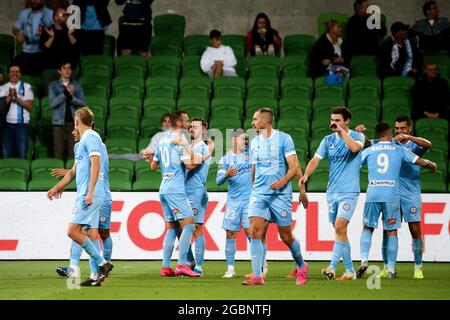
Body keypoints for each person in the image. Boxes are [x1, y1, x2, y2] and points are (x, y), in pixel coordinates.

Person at [355, 116, 432, 279]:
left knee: (415, 229)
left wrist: (408, 138)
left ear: (409, 129)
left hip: (410, 193)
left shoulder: (412, 145)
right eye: (397, 129)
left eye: (403, 128)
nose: (399, 131)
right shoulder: (391, 144)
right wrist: (362, 134)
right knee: (388, 229)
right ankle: (387, 267)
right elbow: (370, 145)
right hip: (392, 191)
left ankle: (418, 268)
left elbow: (428, 145)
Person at [47, 107, 113, 284]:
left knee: (76, 231)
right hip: (87, 193)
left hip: (93, 193)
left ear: (77, 122)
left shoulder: (92, 137)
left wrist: (90, 191)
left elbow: (96, 164)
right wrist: (57, 187)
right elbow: (73, 172)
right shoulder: (82, 143)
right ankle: (89, 272)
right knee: (87, 232)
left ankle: (101, 264)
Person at [244, 108, 308, 286]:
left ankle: (301, 266)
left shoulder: (284, 139)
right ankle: (257, 276)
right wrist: (253, 188)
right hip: (259, 193)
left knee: (286, 236)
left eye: (255, 119)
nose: (253, 122)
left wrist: (285, 182)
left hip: (280, 195)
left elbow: (294, 166)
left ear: (266, 122)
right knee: (255, 231)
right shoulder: (255, 142)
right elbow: (255, 168)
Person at [300, 107, 364, 280]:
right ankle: (350, 270)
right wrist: (306, 175)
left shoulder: (358, 136)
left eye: (337, 120)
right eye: (332, 120)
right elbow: (315, 159)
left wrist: (342, 132)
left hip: (349, 191)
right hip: (332, 192)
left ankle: (332, 266)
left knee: (340, 227)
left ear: (347, 121)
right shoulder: (328, 140)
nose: (333, 123)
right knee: (340, 232)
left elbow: (354, 149)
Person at [146, 111, 203, 278]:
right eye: (186, 120)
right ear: (178, 123)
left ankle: (165, 267)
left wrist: (149, 158)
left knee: (172, 227)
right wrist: (200, 157)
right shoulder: (179, 140)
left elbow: (153, 167)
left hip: (164, 187)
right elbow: (190, 165)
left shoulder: (162, 141)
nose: (188, 123)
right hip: (176, 189)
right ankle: (182, 264)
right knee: (189, 225)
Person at [217, 129, 252, 278]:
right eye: (242, 139)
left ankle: (261, 266)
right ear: (233, 140)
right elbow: (218, 181)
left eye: (246, 139)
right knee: (230, 233)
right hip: (233, 202)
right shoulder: (225, 159)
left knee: (252, 233)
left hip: (250, 200)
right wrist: (225, 174)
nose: (245, 142)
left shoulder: (251, 154)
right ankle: (230, 268)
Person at [185, 118, 215, 276]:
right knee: (180, 230)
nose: (191, 129)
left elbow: (191, 164)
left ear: (203, 130)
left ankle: (199, 267)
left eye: (195, 127)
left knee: (196, 228)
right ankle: (190, 262)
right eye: (190, 126)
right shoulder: (189, 147)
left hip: (196, 191)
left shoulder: (203, 148)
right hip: (183, 191)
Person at [48, 61, 85, 160]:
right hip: (58, 123)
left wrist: (71, 97)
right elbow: (52, 103)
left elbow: (82, 103)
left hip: (73, 122)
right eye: (64, 68)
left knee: (73, 151)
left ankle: (72, 174)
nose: (67, 70)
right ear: (59, 71)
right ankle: (59, 175)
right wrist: (65, 93)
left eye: (69, 68)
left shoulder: (76, 85)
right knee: (58, 151)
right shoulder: (53, 86)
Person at [40, 7, 80, 93]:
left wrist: (70, 35)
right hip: (51, 69)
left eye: (66, 15)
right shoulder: (48, 30)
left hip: (68, 70)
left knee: (69, 97)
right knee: (50, 97)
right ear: (55, 17)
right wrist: (51, 37)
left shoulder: (72, 30)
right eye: (62, 15)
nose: (65, 17)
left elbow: (77, 47)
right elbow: (44, 49)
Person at [0, 63, 34, 159]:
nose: (15, 74)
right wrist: (9, 97)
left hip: (22, 125)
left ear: (20, 74)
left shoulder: (26, 87)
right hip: (6, 126)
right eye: (12, 72)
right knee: (6, 154)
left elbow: (29, 107)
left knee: (22, 154)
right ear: (8, 74)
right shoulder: (2, 88)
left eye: (17, 72)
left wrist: (17, 98)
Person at [13, 0, 54, 75]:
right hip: (27, 51)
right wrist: (19, 36)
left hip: (43, 51)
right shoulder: (25, 13)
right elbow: (15, 29)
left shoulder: (50, 13)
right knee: (18, 67)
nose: (33, 1)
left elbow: (57, 28)